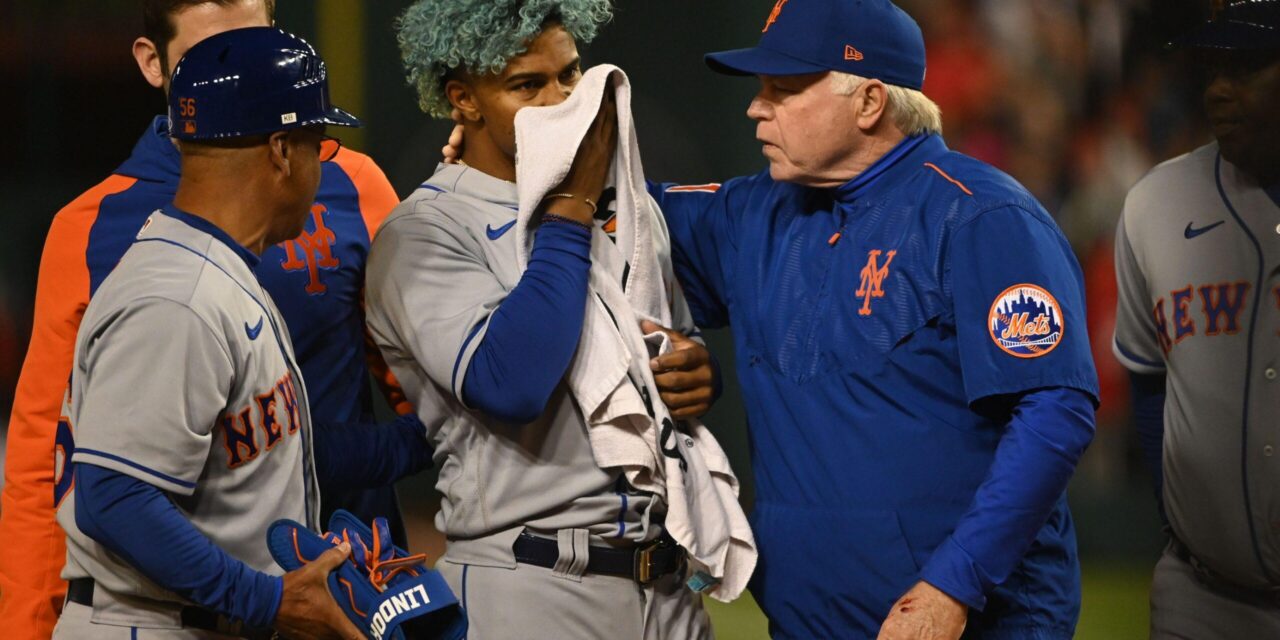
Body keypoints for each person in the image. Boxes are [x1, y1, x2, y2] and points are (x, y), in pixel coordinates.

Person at [641, 2, 1099, 638]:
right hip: (806, 623)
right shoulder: (754, 215)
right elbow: (614, 210)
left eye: (784, 88)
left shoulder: (980, 217)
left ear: (869, 102)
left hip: (967, 621)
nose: (756, 106)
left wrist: (954, 584)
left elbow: (1055, 413)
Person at [0, 2, 408, 635]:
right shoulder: (164, 278)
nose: (247, 69)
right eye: (218, 54)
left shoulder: (233, 248)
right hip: (177, 611)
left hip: (293, 596)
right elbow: (77, 478)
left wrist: (429, 441)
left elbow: (282, 444)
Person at [365, 1, 722, 637]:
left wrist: (694, 373)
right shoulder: (426, 231)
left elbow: (669, 349)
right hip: (531, 582)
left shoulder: (630, 206)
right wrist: (574, 203)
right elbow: (512, 383)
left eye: (570, 75)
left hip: (668, 586)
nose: (561, 100)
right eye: (527, 85)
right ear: (465, 100)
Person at [1112, 2, 1280, 637]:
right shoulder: (1157, 203)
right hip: (1201, 597)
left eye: (1247, 67)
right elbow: (1147, 382)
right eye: (1212, 67)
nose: (1218, 88)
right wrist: (1185, 523)